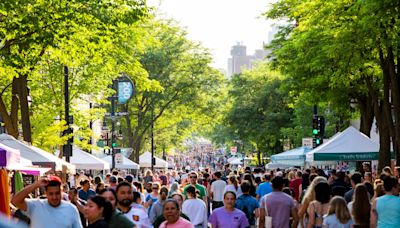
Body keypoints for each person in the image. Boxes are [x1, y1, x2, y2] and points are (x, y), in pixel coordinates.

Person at [11, 175, 82, 228]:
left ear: (62, 191)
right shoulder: (36, 205)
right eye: (51, 194)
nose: (54, 197)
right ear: (46, 193)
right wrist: (35, 185)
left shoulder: (71, 209)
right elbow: (15, 201)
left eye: (57, 193)